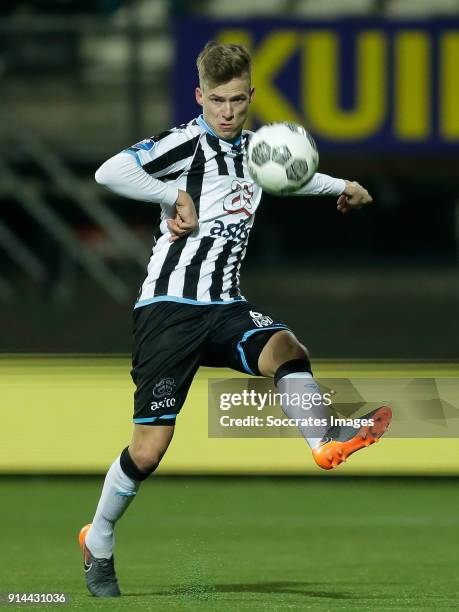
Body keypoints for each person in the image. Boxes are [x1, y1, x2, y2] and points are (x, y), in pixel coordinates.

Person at [79, 41, 392, 597]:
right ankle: (98, 537)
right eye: (218, 100)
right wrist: (173, 194)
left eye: (239, 100)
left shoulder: (256, 150)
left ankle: (321, 439)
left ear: (251, 97)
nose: (228, 111)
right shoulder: (183, 144)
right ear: (200, 97)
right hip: (169, 309)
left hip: (225, 305)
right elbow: (109, 171)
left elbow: (290, 175)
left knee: (286, 348)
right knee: (149, 450)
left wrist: (341, 187)